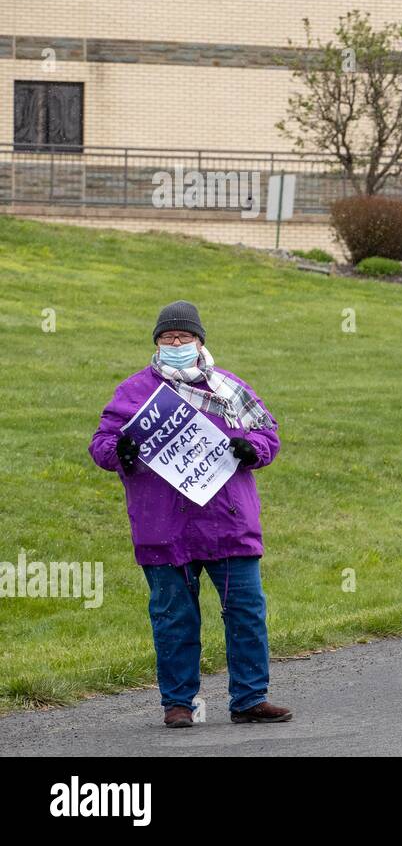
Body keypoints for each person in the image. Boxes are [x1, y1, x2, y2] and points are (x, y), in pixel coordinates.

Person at [88, 301, 289, 728]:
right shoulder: (134, 392)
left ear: (200, 341)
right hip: (164, 529)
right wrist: (119, 452)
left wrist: (253, 449)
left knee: (246, 612)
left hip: (229, 524)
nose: (176, 344)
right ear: (157, 344)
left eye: (184, 337)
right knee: (173, 619)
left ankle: (250, 699)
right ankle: (178, 704)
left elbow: (268, 435)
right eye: (168, 338)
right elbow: (102, 443)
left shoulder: (229, 388)